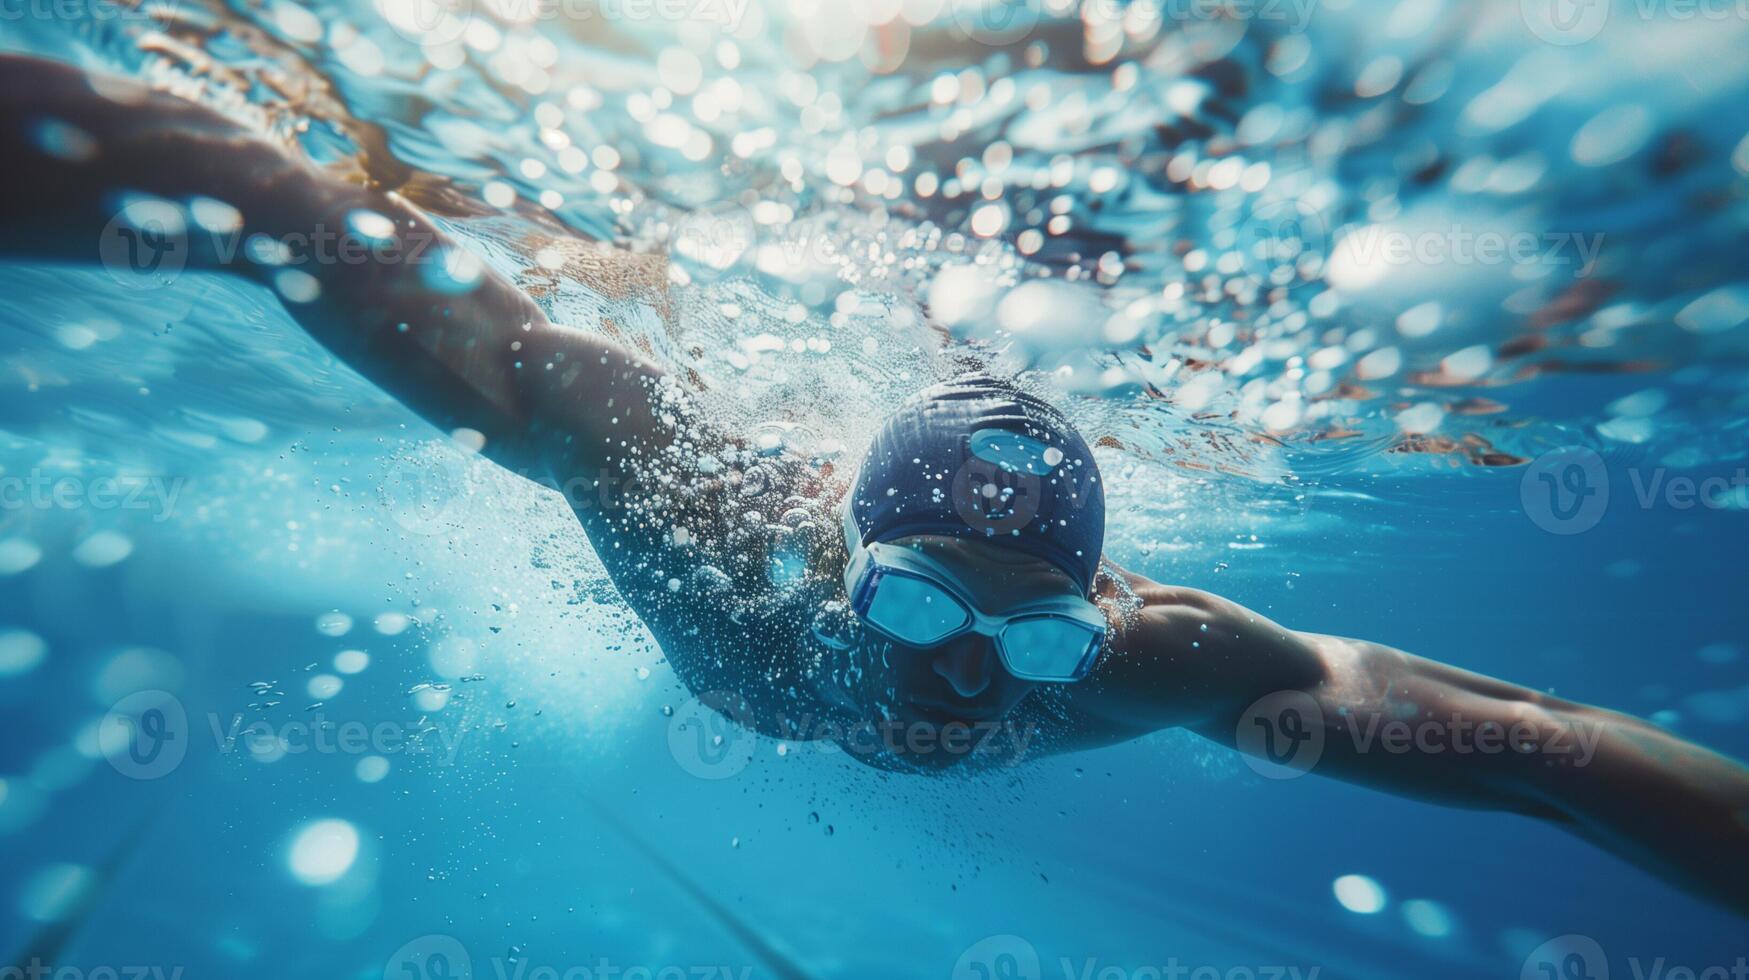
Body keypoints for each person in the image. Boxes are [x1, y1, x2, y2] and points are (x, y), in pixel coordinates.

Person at [3, 54, 1747, 916]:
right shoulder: (676, 493)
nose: (958, 678)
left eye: (1040, 642)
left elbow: (1529, 741)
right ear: (833, 549)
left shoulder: (1166, 657)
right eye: (909, 603)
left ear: (1110, 618)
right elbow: (299, 221)